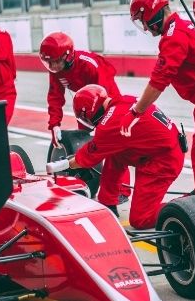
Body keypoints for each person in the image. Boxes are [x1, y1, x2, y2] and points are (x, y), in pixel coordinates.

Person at [128, 0, 195, 203]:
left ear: (151, 13)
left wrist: (137, 110)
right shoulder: (185, 24)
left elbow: (159, 80)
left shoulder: (174, 36)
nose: (144, 26)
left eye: (142, 20)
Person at [48, 84, 183, 229]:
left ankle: (187, 205)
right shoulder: (123, 100)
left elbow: (85, 159)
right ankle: (108, 203)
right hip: (161, 149)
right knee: (114, 154)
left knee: (141, 219)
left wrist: (63, 164)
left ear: (88, 113)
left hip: (162, 161)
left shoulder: (109, 125)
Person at [39, 31, 130, 201]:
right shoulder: (55, 70)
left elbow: (106, 90)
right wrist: (54, 125)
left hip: (107, 101)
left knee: (113, 147)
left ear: (67, 56)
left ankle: (121, 190)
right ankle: (87, 184)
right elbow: (54, 97)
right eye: (49, 62)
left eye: (56, 62)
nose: (53, 67)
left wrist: (104, 124)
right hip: (85, 107)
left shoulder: (89, 64)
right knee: (87, 147)